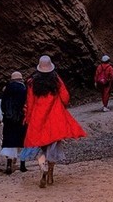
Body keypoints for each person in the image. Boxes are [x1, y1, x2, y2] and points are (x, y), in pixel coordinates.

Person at [21, 55, 87, 188]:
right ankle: (50, 175)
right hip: (55, 118)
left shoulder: (32, 82)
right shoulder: (56, 80)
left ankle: (42, 167)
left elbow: (30, 102)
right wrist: (60, 105)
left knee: (38, 147)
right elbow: (65, 97)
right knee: (53, 148)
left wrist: (28, 118)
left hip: (38, 118)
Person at [0, 71, 28, 173]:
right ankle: (22, 165)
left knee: (9, 142)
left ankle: (9, 165)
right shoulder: (24, 89)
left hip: (9, 120)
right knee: (22, 142)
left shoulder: (6, 90)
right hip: (21, 119)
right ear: (21, 79)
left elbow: (2, 106)